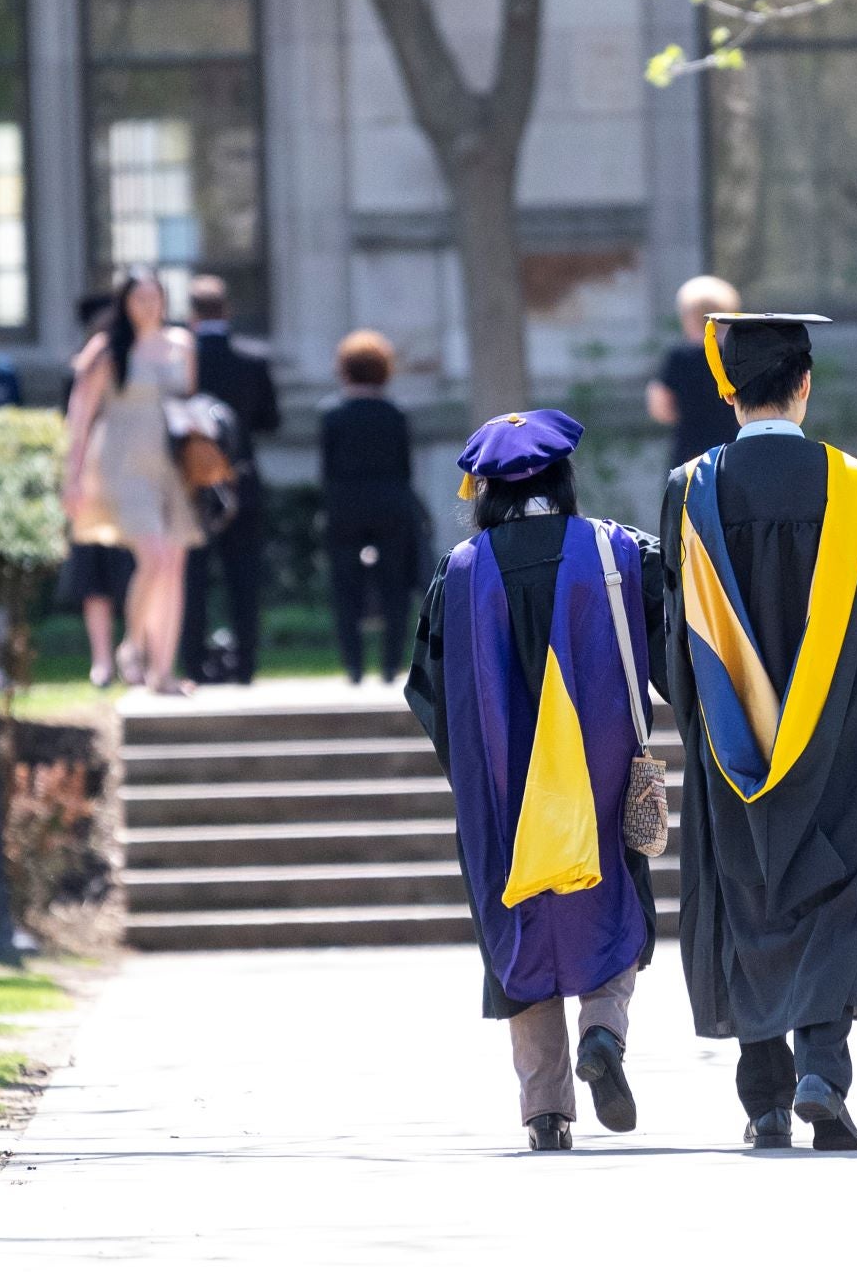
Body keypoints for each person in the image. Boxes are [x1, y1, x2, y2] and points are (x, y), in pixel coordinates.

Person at [656, 312, 857, 1151]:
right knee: (832, 894)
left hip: (732, 742)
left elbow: (674, 631)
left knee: (747, 896)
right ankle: (824, 1070)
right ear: (805, 385)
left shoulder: (689, 490)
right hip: (840, 739)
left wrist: (709, 717)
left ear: (727, 392)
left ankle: (765, 1098)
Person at [405, 410, 660, 1153]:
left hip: (501, 780)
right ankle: (604, 1033)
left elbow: (428, 691)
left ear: (483, 492)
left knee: (517, 915)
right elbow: (667, 636)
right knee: (610, 896)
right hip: (600, 773)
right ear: (562, 478)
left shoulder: (459, 572)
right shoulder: (613, 551)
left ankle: (545, 1109)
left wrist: (480, 768)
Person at [62, 270, 199, 693]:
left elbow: (190, 402)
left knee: (174, 565)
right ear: (124, 303)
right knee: (155, 557)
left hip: (173, 468)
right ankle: (131, 644)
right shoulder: (107, 349)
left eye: (154, 297)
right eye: (138, 298)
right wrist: (73, 477)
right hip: (121, 465)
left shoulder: (182, 344)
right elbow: (80, 416)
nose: (147, 306)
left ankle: (162, 671)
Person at [181, 276, 281, 686]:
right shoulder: (252, 360)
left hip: (190, 483)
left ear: (192, 315)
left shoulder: (183, 359)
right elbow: (271, 421)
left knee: (192, 578)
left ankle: (193, 663)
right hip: (240, 479)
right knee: (244, 578)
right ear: (226, 311)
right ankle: (245, 666)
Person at [320, 330, 427, 683]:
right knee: (395, 585)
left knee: (345, 585)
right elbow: (405, 467)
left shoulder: (332, 415)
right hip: (391, 504)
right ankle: (389, 666)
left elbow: (328, 469)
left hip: (346, 506)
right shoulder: (396, 414)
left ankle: (353, 667)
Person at [57, 291, 135, 689]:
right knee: (96, 573)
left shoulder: (138, 352)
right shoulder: (91, 360)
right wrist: (72, 480)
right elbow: (75, 425)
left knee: (134, 569)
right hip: (95, 477)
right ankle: (102, 659)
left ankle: (130, 654)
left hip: (135, 475)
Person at [646, 275, 742, 468]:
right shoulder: (739, 354)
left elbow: (660, 409)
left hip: (689, 453)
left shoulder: (679, 357)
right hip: (733, 450)